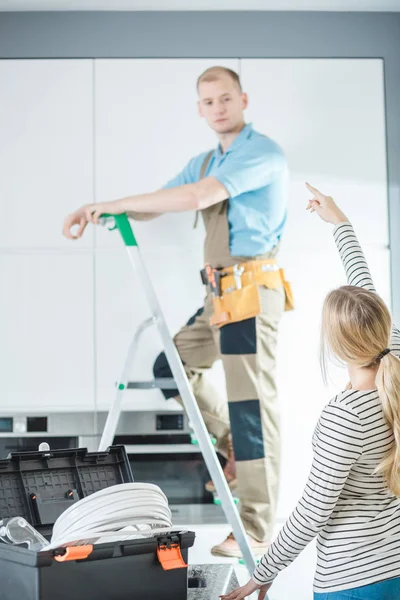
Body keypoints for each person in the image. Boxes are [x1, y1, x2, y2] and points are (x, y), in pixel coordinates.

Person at [63, 66, 290, 557]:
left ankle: (255, 525)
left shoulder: (261, 153)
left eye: (225, 98)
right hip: (219, 297)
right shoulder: (207, 158)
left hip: (249, 294)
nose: (218, 108)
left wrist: (109, 202)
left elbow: (198, 196)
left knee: (251, 407)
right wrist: (101, 209)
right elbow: (160, 203)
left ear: (243, 99)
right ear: (199, 108)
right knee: (171, 369)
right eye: (208, 102)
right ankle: (233, 448)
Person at [221, 183, 400, 600]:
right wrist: (339, 222)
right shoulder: (396, 351)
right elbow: (366, 292)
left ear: (335, 347)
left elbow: (312, 512)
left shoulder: (346, 416)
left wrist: (261, 574)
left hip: (353, 582)